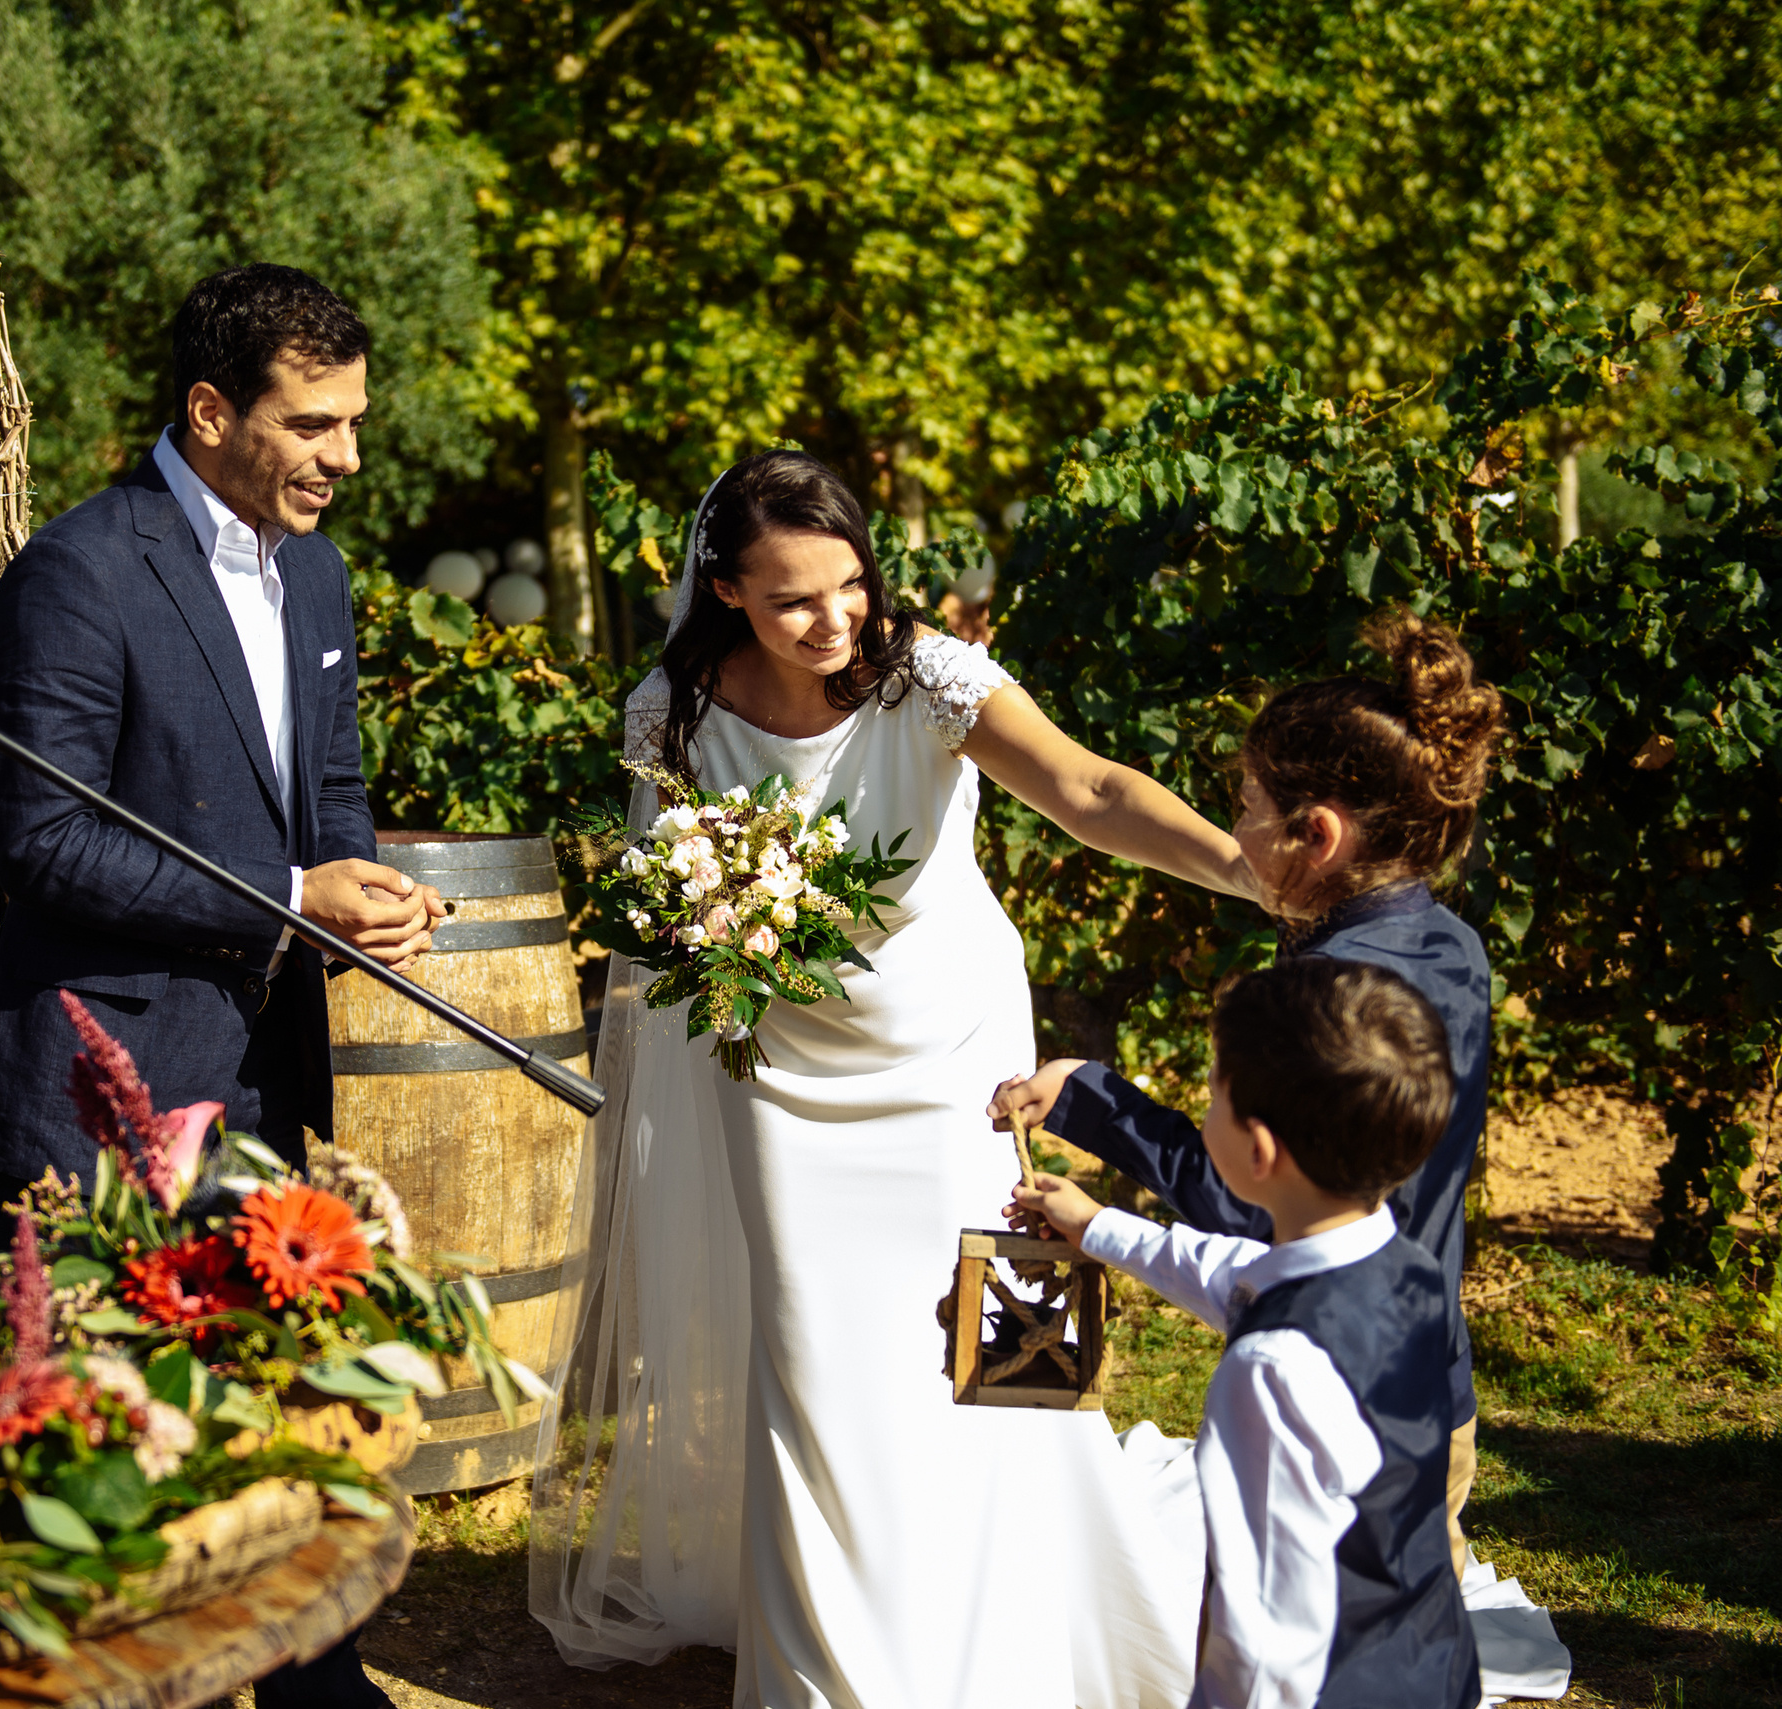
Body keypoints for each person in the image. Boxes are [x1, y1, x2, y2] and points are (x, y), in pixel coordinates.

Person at [534, 448, 1260, 1708]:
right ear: (724, 595)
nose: (833, 620)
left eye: (849, 585)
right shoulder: (676, 711)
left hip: (950, 1059)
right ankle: (839, 1671)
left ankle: (1033, 1605)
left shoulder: (926, 676)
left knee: (994, 1329)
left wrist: (1246, 872)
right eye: (791, 600)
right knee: (817, 1356)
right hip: (779, 1071)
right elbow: (665, 906)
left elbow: (1087, 788)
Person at [0, 263, 435, 1709]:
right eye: (315, 425)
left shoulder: (321, 569)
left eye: (353, 422)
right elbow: (42, 841)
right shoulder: (80, 573)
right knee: (94, 1492)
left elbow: (325, 790)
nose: (347, 457)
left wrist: (357, 892)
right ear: (213, 412)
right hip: (98, 1095)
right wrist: (287, 897)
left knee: (280, 1425)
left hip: (271, 1074)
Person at [989, 613, 1504, 1577]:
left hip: (1324, 1396)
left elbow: (1253, 1201)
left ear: (1317, 835)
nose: (1231, 831)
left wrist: (1098, 1103)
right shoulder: (1453, 947)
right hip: (1433, 1380)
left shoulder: (1321, 997)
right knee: (1412, 1612)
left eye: (1245, 806)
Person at [1010, 959, 1479, 1709]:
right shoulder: (1408, 1269)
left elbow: (1263, 1627)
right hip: (1428, 1664)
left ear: (1257, 1152)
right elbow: (1236, 1268)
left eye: (1213, 1097)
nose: (1202, 1112)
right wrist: (1099, 1226)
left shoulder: (1269, 1371)